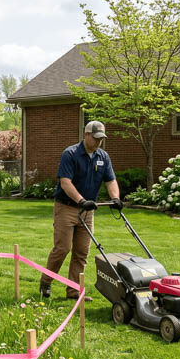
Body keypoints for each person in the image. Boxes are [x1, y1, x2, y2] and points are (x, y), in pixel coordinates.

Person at [40, 120, 122, 300]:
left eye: (101, 139)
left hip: (88, 211)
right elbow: (65, 182)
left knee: (81, 252)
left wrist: (115, 198)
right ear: (86, 135)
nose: (99, 142)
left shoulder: (103, 157)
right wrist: (81, 200)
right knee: (62, 248)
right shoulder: (70, 154)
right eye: (96, 138)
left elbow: (110, 180)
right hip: (66, 208)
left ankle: (74, 291)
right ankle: (46, 281)